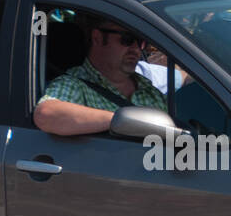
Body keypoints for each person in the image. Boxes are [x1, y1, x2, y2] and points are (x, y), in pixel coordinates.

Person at [33, 16, 167, 136]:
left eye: (141, 42)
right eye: (127, 39)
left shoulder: (149, 89)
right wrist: (124, 121)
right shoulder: (76, 84)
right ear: (97, 37)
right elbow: (46, 114)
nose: (136, 49)